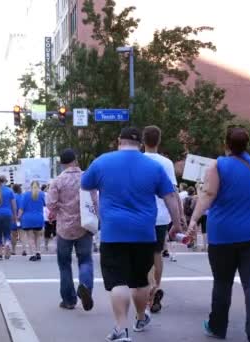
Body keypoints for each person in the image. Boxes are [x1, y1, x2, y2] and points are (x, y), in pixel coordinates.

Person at [81, 127, 182, 341]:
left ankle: (121, 328)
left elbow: (85, 184)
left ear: (119, 141)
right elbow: (171, 197)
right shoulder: (154, 166)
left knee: (118, 282)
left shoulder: (102, 162)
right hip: (144, 232)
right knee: (140, 281)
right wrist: (176, 224)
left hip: (113, 231)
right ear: (140, 143)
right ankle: (140, 317)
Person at [188, 125, 250, 341]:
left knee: (223, 283)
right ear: (247, 144)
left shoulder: (218, 165)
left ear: (226, 144)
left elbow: (207, 195)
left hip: (223, 234)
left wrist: (193, 219)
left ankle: (217, 327)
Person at [47, 148, 97, 311]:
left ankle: (68, 300)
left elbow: (51, 205)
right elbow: (95, 200)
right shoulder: (87, 177)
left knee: (64, 264)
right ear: (75, 160)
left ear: (62, 164)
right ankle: (85, 286)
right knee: (85, 260)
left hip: (64, 229)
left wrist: (58, 210)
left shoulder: (57, 181)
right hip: (85, 226)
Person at [142, 125, 183, 314]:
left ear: (143, 141)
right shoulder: (166, 163)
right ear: (158, 141)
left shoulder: (138, 160)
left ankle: (151, 290)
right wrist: (178, 219)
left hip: (142, 214)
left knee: (143, 256)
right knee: (157, 253)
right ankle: (155, 288)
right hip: (161, 216)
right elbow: (172, 192)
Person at [20, 181, 46, 261]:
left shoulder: (25, 195)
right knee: (38, 236)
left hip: (27, 218)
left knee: (30, 237)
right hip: (38, 217)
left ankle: (33, 253)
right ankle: (38, 252)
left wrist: (18, 217)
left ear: (30, 186)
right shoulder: (42, 194)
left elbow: (21, 208)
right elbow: (45, 205)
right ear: (39, 186)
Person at [11, 184, 23, 255]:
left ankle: (13, 250)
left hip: (14, 217)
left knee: (13, 234)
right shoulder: (22, 196)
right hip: (21, 217)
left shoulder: (13, 197)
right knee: (22, 234)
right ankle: (24, 248)